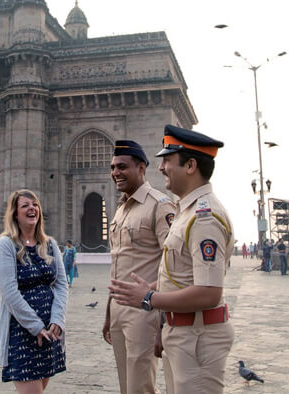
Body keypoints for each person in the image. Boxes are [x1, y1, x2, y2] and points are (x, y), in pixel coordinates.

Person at [109, 124, 235, 394]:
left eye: (167, 160)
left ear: (190, 165)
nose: (162, 167)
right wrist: (150, 291)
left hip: (198, 337)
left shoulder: (204, 217)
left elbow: (209, 292)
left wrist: (148, 299)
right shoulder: (185, 212)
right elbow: (180, 275)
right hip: (183, 333)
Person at [104, 140, 175, 394]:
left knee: (139, 387)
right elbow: (118, 264)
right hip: (119, 310)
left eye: (122, 166)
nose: (115, 173)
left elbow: (173, 265)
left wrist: (163, 319)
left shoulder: (160, 205)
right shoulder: (121, 208)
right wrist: (109, 312)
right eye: (113, 167)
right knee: (127, 387)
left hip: (144, 311)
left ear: (142, 167)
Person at [0, 190, 67, 393]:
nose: (31, 208)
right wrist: (35, 326)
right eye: (25, 205)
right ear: (14, 214)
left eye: (34, 204)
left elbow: (61, 284)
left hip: (50, 332)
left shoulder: (49, 244)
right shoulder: (6, 245)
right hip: (23, 332)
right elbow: (9, 292)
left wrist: (57, 320)